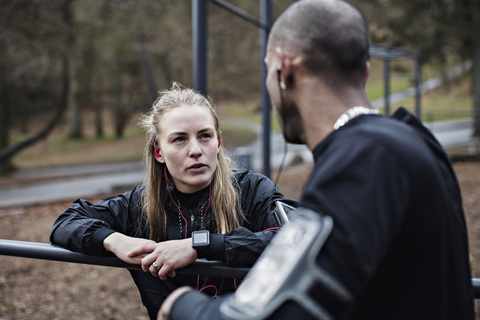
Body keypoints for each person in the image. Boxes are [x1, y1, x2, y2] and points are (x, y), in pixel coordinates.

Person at [157, 0, 475, 319]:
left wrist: (186, 306)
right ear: (364, 72)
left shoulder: (363, 160)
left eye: (267, 70)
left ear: (285, 68)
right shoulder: (409, 140)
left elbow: (290, 310)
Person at [49, 83, 297, 320]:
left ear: (218, 142)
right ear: (158, 151)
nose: (195, 150)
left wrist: (199, 245)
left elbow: (293, 237)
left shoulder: (252, 189)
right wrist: (114, 241)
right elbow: (67, 222)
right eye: (179, 139)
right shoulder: (139, 205)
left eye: (204, 136)